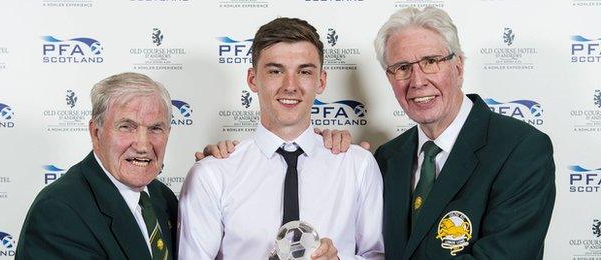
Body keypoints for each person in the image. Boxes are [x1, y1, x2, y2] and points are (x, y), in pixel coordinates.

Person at [202, 6, 556, 260]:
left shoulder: (520, 149)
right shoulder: (388, 158)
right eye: (402, 67)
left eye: (430, 61)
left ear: (458, 66)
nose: (417, 80)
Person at [177, 17, 384, 260]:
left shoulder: (358, 165)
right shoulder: (213, 173)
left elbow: (377, 255)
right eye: (276, 71)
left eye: (304, 72)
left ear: (321, 81)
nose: (290, 85)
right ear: (253, 80)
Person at [16, 72, 178, 260]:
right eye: (126, 127)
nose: (143, 145)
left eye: (155, 128)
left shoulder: (162, 197)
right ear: (96, 132)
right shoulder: (59, 212)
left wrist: (217, 168)